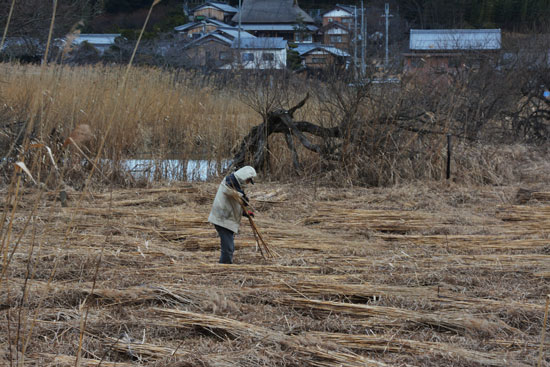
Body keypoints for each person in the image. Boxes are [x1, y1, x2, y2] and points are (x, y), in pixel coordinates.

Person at [208, 166, 257, 264]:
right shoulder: (229, 183)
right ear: (244, 177)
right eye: (248, 180)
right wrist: (242, 197)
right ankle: (225, 267)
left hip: (226, 219)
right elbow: (230, 192)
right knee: (228, 248)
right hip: (222, 219)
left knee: (229, 246)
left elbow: (233, 203)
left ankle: (225, 265)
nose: (248, 183)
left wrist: (245, 212)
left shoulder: (236, 185)